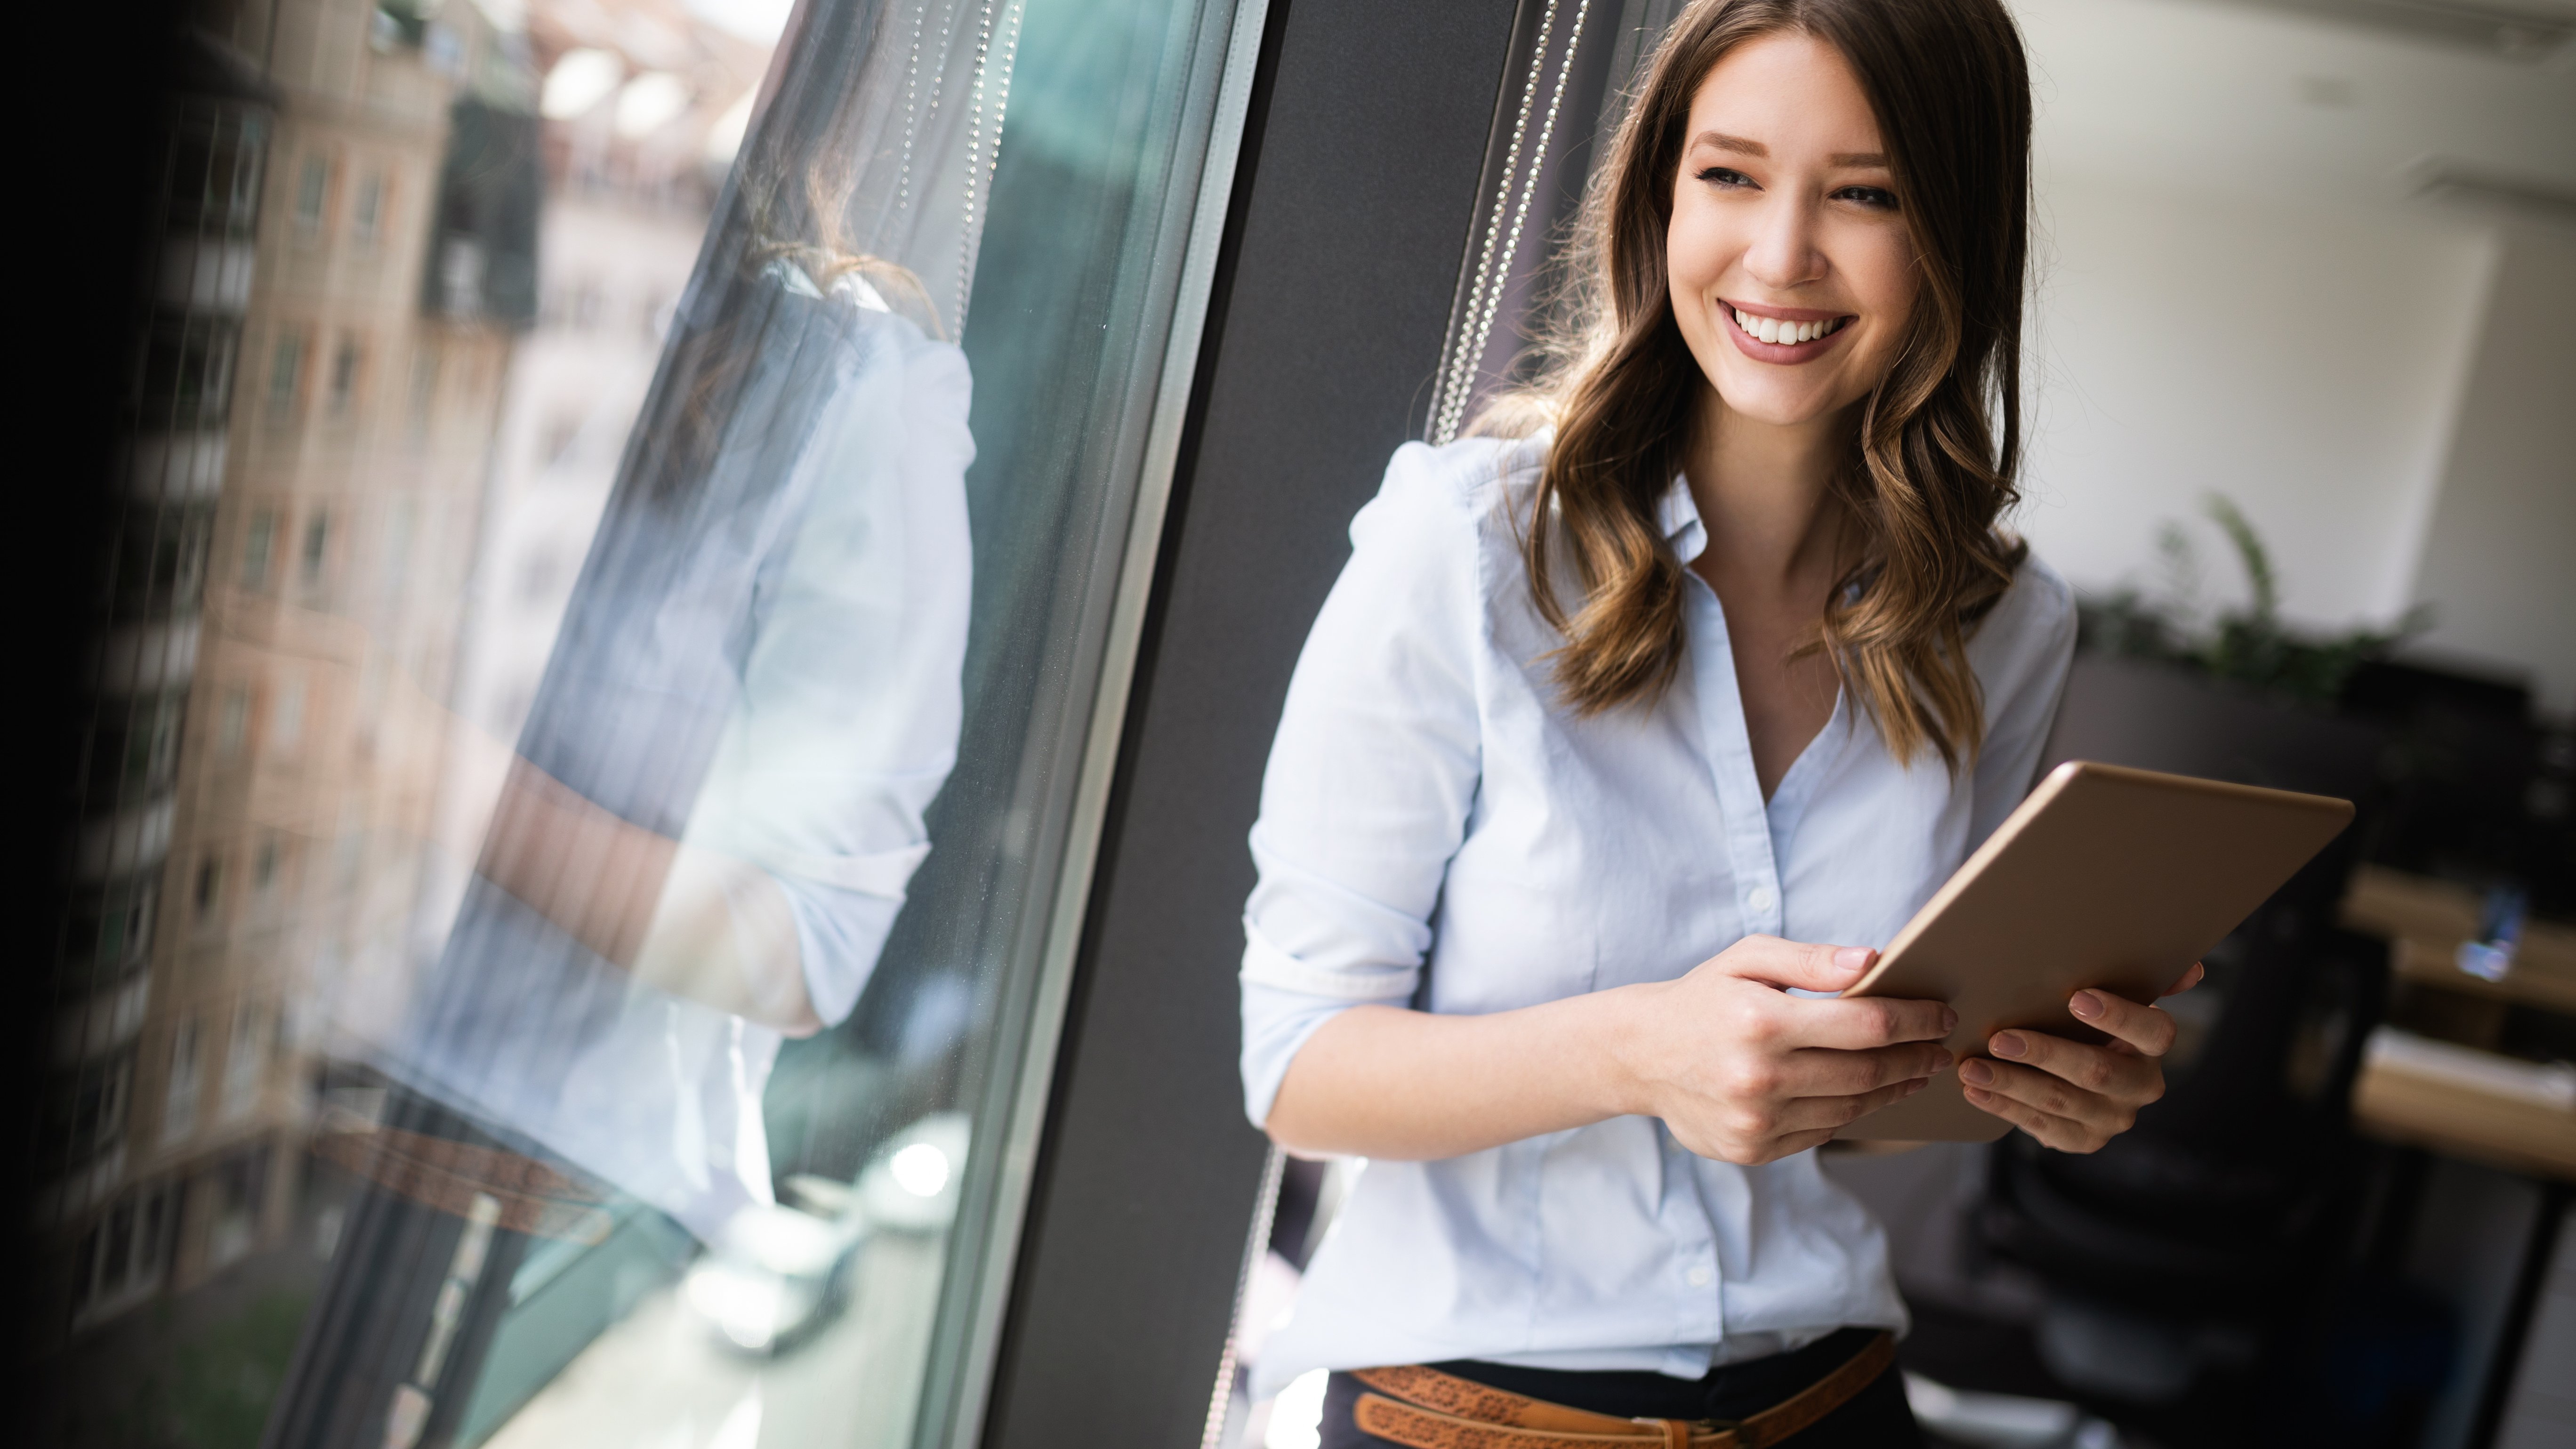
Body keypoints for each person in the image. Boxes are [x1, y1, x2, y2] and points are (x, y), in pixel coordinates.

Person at [1237, 1, 2201, 1442]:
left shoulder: (2006, 623)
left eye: (1863, 194)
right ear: (1658, 194)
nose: (1780, 255)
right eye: (1730, 175)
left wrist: (2039, 1082)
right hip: (1484, 1412)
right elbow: (1302, 1071)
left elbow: (1870, 1090)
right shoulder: (1468, 549)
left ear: (1956, 228)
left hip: (1834, 1395)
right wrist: (1637, 1053)